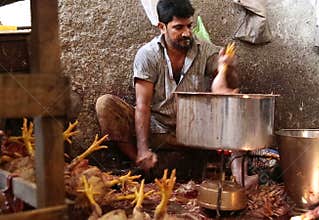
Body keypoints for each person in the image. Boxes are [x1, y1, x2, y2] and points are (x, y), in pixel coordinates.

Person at [96, 0, 258, 187]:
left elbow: (231, 85)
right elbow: (143, 105)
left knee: (236, 103)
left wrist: (228, 68)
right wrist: (142, 149)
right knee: (105, 104)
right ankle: (142, 163)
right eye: (178, 27)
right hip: (158, 130)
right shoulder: (148, 55)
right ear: (162, 27)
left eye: (189, 26)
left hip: (194, 131)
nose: (187, 33)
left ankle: (240, 176)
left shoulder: (203, 49)